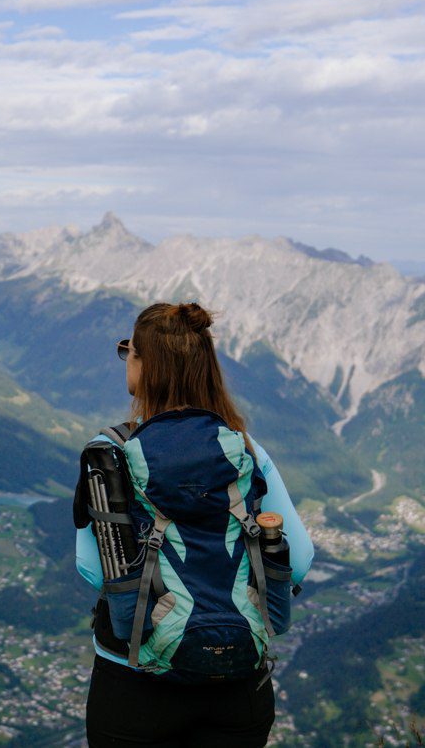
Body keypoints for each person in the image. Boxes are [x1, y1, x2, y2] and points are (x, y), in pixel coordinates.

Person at [76, 301, 314, 747]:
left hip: (134, 684)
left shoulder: (108, 453)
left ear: (144, 364)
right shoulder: (243, 448)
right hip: (235, 681)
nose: (125, 358)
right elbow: (297, 560)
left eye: (128, 350)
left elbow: (91, 567)